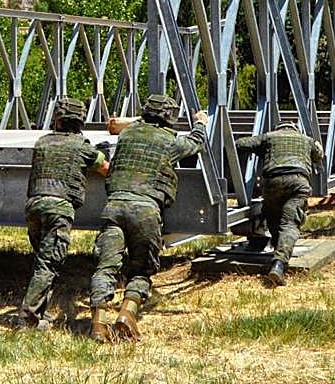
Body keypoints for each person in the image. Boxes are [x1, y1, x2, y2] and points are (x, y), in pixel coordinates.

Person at [88, 93, 208, 343]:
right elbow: (196, 143)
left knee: (105, 267)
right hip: (145, 211)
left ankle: (98, 325)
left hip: (114, 207)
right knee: (141, 269)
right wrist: (200, 122)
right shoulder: (169, 142)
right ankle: (127, 315)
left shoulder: (127, 134)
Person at [16, 96, 110, 331]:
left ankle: (41, 314)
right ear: (80, 123)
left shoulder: (42, 142)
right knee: (47, 265)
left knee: (42, 263)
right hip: (59, 208)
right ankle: (26, 320)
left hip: (34, 205)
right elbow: (104, 167)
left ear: (57, 121)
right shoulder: (82, 147)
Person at [236, 121, 324, 288]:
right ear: (295, 129)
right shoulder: (306, 139)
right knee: (290, 223)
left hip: (272, 182)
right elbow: (319, 156)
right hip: (297, 182)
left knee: (274, 219)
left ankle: (278, 252)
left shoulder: (269, 137)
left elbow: (241, 144)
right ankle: (279, 264)